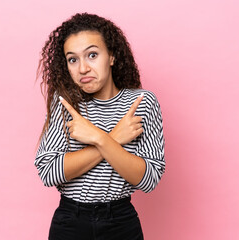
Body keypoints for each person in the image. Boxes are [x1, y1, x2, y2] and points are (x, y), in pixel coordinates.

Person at [35, 12, 165, 240]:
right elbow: (48, 172)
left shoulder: (141, 103)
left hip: (121, 222)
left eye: (92, 55)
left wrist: (99, 137)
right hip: (70, 221)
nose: (83, 68)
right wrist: (114, 137)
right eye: (72, 59)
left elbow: (149, 180)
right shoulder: (66, 101)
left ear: (112, 57)